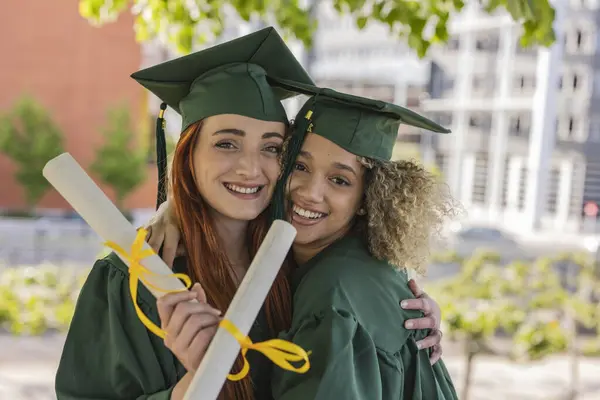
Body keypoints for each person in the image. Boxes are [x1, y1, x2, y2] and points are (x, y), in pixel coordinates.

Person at [55, 27, 315, 400]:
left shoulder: (300, 264)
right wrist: (191, 386)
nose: (250, 167)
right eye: (227, 143)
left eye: (271, 148)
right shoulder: (135, 277)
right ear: (188, 155)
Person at [263, 79, 461, 399]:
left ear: (368, 198)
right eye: (299, 165)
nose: (310, 193)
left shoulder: (331, 295)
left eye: (340, 180)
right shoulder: (370, 262)